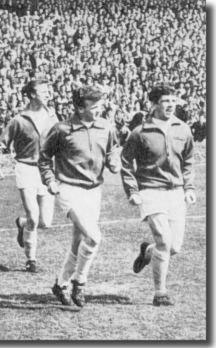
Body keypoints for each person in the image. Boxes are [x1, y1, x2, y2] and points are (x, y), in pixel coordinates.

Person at [38, 85, 120, 308]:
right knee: (94, 237)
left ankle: (61, 283)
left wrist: (114, 160)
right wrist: (50, 181)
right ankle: (79, 282)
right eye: (94, 107)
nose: (99, 110)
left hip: (94, 191)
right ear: (79, 108)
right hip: (69, 190)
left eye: (100, 106)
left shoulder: (105, 126)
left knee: (78, 242)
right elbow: (44, 158)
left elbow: (113, 149)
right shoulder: (62, 129)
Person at [121, 84, 196, 306]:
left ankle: (147, 252)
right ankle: (160, 293)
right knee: (164, 239)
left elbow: (189, 161)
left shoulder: (183, 129)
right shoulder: (140, 132)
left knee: (174, 247)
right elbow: (126, 163)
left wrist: (189, 187)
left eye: (174, 100)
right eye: (166, 101)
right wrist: (132, 191)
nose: (171, 105)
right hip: (150, 191)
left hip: (176, 193)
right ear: (153, 104)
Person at [0, 79, 59, 272]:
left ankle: (22, 224)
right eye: (42, 91)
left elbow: (61, 143)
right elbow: (0, 144)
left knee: (45, 222)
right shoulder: (19, 120)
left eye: (48, 90)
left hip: (47, 171)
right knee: (34, 216)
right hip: (26, 169)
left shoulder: (53, 117)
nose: (47, 93)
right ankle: (31, 259)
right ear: (31, 94)